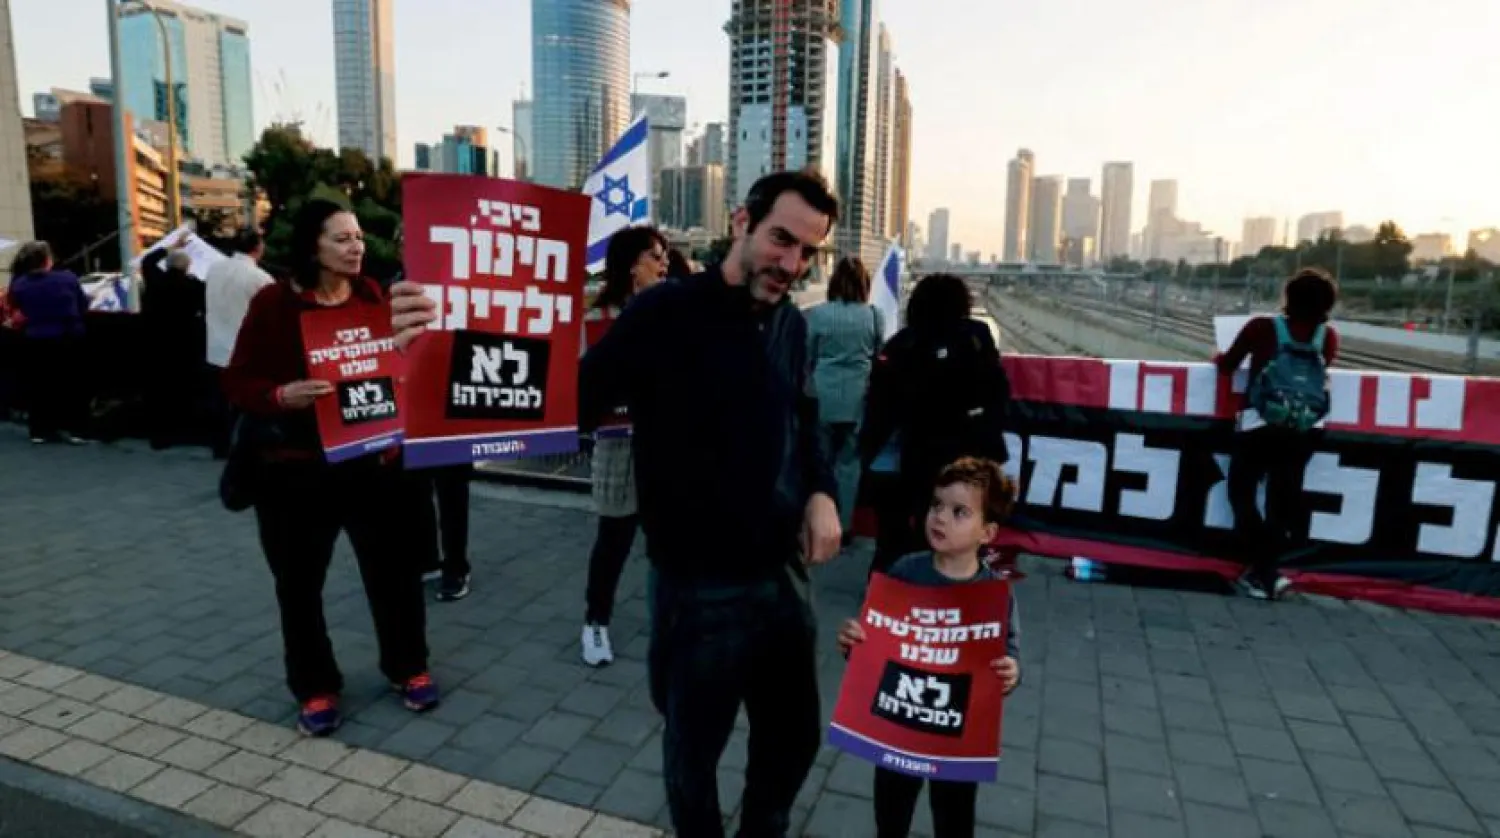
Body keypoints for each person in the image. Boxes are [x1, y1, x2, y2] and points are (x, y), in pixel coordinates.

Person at [390, 170, 844, 838]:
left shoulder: (789, 327)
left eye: (808, 252)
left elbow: (804, 418)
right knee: (694, 755)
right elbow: (562, 406)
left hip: (783, 578)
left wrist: (823, 492)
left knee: (794, 740)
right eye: (781, 239)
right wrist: (430, 343)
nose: (791, 263)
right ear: (741, 222)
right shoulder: (663, 313)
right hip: (698, 588)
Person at [224, 198, 438, 737]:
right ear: (312, 247)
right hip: (294, 473)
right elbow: (238, 381)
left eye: (359, 236)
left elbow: (390, 365)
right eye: (342, 238)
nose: (357, 246)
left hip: (370, 464)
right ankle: (316, 687)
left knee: (394, 576)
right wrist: (280, 394)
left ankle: (407, 667)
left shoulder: (371, 295)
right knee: (298, 588)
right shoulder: (273, 305)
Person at [838, 457, 1022, 838]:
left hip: (956, 735)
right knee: (891, 813)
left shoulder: (994, 593)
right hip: (899, 726)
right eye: (937, 505)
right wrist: (853, 643)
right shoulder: (905, 570)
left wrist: (1010, 672)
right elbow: (874, 641)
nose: (939, 518)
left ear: (987, 532)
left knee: (954, 818)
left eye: (959, 512)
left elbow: (1008, 651)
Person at [859, 274, 1011, 574]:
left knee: (896, 535)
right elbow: (998, 390)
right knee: (956, 530)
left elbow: (880, 405)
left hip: (914, 454)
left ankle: (887, 597)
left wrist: (867, 451)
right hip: (967, 454)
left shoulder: (903, 343)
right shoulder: (976, 336)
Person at [1215, 268, 1339, 600]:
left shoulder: (1262, 327)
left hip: (1260, 425)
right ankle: (1268, 573)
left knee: (1241, 493)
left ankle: (1263, 571)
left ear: (1289, 297)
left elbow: (1227, 364)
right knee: (1280, 505)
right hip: (1305, 429)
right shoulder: (1327, 337)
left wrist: (1218, 358)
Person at [580, 225, 669, 666]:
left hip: (666, 443)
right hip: (618, 441)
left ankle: (672, 621)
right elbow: (592, 383)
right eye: (656, 255)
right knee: (613, 539)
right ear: (634, 263)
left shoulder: (670, 311)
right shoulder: (599, 318)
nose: (665, 263)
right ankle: (595, 623)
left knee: (667, 541)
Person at [804, 256, 885, 542]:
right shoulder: (874, 315)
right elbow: (877, 356)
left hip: (822, 396)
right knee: (849, 463)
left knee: (820, 461)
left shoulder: (818, 315)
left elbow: (808, 356)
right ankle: (845, 525)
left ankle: (817, 522)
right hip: (857, 398)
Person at [6, 242, 89, 445]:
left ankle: (40, 431)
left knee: (39, 385)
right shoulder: (68, 278)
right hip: (67, 336)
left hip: (35, 338)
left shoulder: (19, 284)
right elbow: (83, 305)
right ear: (47, 260)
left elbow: (17, 308)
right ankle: (74, 429)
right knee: (70, 384)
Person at [205, 228, 273, 458]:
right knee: (246, 404)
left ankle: (219, 447)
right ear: (258, 248)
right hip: (244, 350)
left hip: (214, 346)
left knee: (219, 403)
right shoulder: (260, 278)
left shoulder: (214, 269)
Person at [141, 238, 207, 450]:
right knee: (182, 388)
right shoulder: (195, 286)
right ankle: (181, 431)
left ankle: (159, 436)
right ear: (187, 267)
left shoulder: (155, 279)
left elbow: (148, 260)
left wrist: (172, 246)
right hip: (185, 344)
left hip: (155, 342)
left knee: (158, 389)